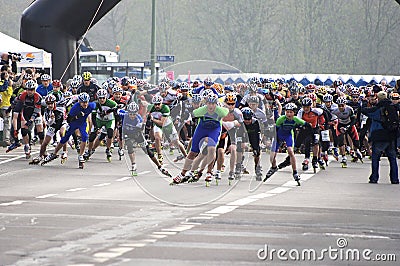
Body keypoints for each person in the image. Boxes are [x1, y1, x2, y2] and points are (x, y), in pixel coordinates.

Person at [41, 92, 95, 168]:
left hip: (82, 123)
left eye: (86, 102)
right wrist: (77, 116)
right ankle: (55, 153)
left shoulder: (92, 105)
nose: (85, 104)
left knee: (85, 136)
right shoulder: (75, 108)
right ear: (79, 102)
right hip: (73, 123)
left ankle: (81, 156)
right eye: (83, 102)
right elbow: (69, 120)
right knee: (65, 138)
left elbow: (98, 106)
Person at [264, 103, 310, 185]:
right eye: (287, 112)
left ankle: (295, 172)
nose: (289, 114)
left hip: (288, 136)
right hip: (278, 136)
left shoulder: (296, 119)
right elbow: (275, 130)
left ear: (294, 113)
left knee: (291, 151)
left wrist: (310, 131)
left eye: (291, 112)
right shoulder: (281, 119)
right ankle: (274, 167)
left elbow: (307, 125)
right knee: (272, 157)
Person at [361, 91, 399, 184]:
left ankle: (374, 177)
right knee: (392, 158)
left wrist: (365, 102)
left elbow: (365, 111)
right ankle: (394, 179)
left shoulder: (377, 109)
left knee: (376, 157)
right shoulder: (393, 108)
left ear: (378, 98)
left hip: (379, 135)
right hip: (391, 135)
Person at [0, 70, 13, 146]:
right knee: (7, 123)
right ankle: (6, 140)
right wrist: (10, 86)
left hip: (3, 105)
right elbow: (9, 94)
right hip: (5, 106)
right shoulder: (5, 85)